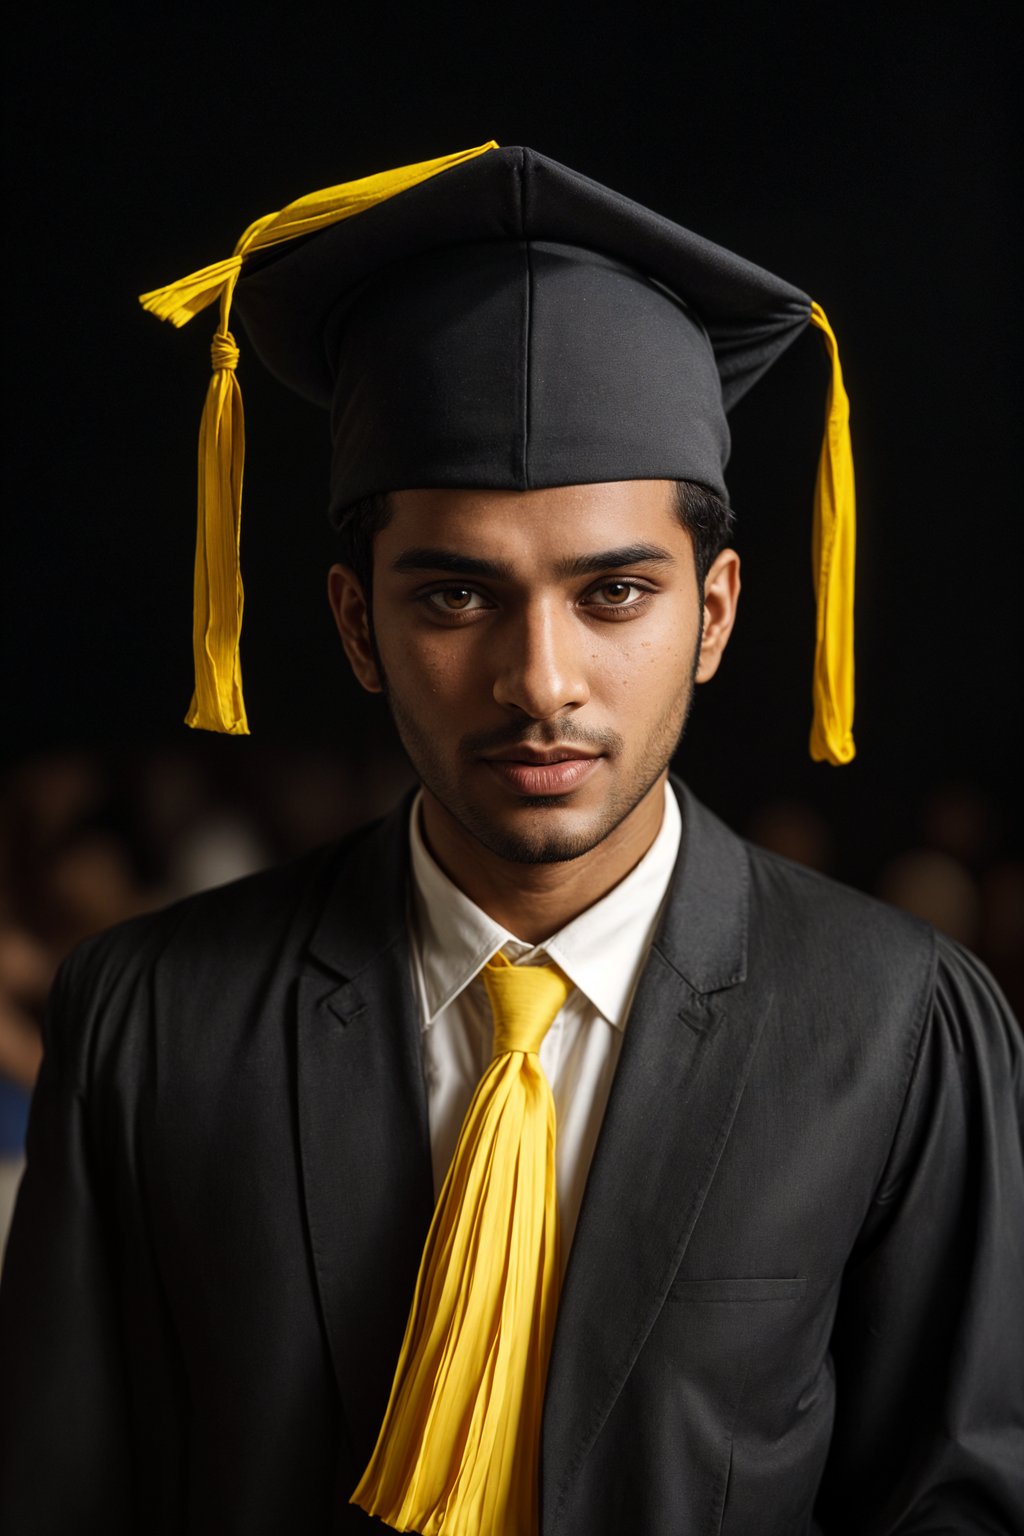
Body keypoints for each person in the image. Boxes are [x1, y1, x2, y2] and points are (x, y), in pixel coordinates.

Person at [1, 143, 1021, 1536]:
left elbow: (958, 1502)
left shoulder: (900, 1029)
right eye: (457, 597)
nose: (541, 680)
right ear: (360, 625)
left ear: (714, 614)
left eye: (614, 593)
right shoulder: (155, 1021)